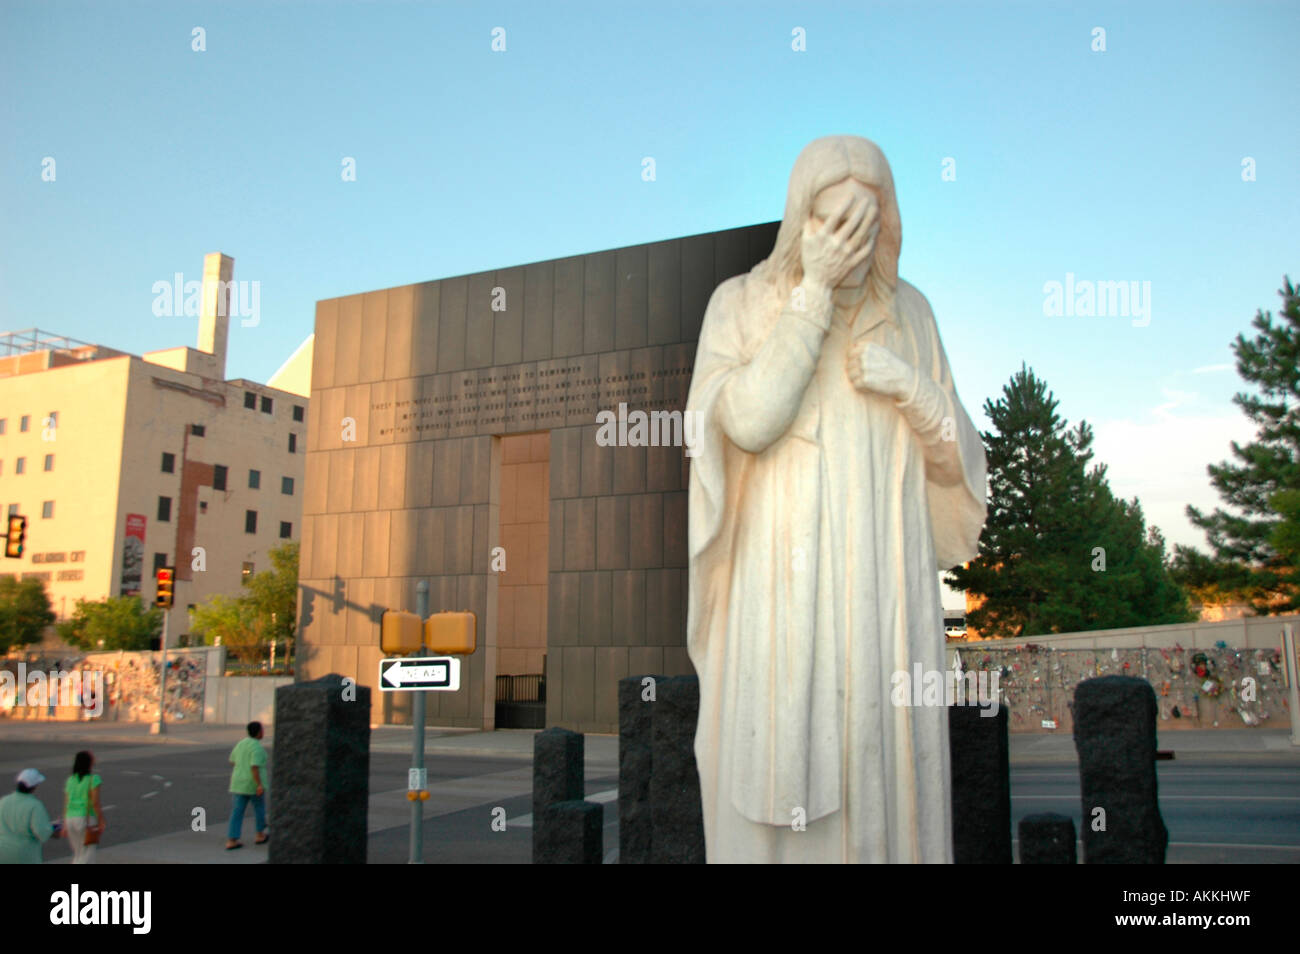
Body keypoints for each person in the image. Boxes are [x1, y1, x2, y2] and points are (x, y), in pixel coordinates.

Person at [686, 135, 987, 862]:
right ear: (801, 221)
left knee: (887, 772)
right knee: (787, 779)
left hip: (887, 591)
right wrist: (812, 298)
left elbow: (960, 463)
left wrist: (914, 390)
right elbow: (748, 421)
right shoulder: (741, 304)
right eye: (831, 224)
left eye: (865, 225)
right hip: (783, 588)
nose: (848, 244)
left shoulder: (911, 315)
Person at [0, 769, 61, 863]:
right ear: (34, 787)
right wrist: (55, 829)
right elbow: (41, 832)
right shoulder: (35, 805)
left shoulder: (3, 801)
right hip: (25, 855)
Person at [225, 721, 268, 850]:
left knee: (237, 811)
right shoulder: (257, 747)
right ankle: (260, 834)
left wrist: (241, 768)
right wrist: (259, 785)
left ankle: (232, 839)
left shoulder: (241, 744)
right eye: (262, 730)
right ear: (259, 732)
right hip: (252, 784)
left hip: (238, 783)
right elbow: (254, 767)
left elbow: (232, 761)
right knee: (259, 808)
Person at [63, 750, 103, 863]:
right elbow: (95, 803)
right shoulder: (93, 779)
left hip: (70, 818)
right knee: (88, 854)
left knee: (78, 853)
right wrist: (101, 821)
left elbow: (66, 803)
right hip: (86, 819)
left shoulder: (70, 780)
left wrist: (65, 823)